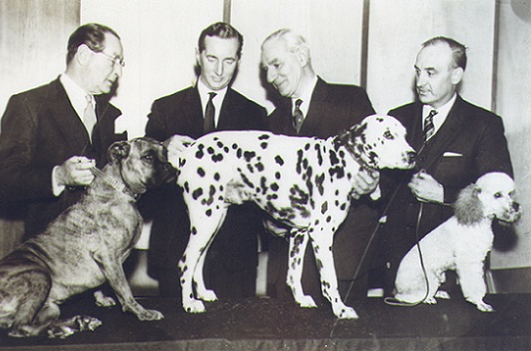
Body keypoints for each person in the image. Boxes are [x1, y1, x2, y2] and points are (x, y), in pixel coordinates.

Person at [374, 36, 514, 296]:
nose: (420, 82)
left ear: (456, 74)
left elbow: (499, 197)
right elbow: (381, 187)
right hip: (399, 263)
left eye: (431, 73)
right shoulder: (397, 119)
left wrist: (444, 196)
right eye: (418, 72)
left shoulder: (484, 125)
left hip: (454, 268)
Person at [143, 22, 267, 298]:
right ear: (198, 55)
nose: (219, 70)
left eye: (228, 60)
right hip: (175, 251)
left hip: (234, 261)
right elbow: (145, 179)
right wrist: (162, 150)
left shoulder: (255, 115)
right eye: (212, 58)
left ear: (238, 60)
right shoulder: (165, 109)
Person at [260, 28, 380, 303]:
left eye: (276, 64)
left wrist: (373, 184)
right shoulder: (272, 122)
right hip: (288, 277)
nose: (270, 77)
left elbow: (384, 171)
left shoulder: (351, 101)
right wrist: (268, 219)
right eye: (266, 68)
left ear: (301, 56)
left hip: (343, 266)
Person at [0, 23, 127, 240]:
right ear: (83, 54)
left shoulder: (112, 114)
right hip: (51, 254)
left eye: (122, 64)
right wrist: (58, 176)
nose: (118, 72)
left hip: (102, 254)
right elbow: (4, 183)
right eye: (114, 60)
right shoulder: (28, 105)